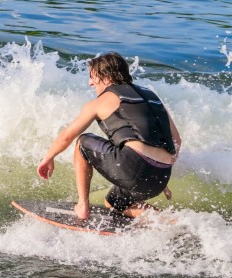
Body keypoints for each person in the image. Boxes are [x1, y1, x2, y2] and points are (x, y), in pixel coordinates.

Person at [36, 52, 182, 220]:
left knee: (83, 142)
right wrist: (158, 169)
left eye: (92, 77)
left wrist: (48, 158)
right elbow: (176, 141)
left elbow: (66, 137)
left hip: (134, 169)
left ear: (106, 77)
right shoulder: (152, 97)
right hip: (161, 177)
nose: (90, 83)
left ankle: (82, 206)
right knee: (114, 202)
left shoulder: (102, 100)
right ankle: (170, 222)